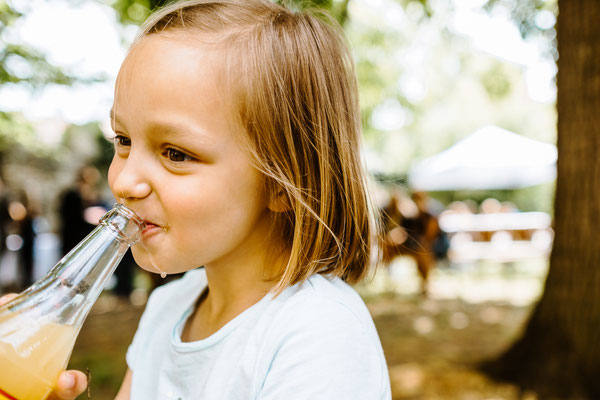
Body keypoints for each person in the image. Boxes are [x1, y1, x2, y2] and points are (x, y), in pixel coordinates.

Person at [9, 1, 390, 398]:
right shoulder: (168, 308)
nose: (124, 181)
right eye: (123, 140)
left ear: (283, 183)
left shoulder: (318, 334)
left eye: (175, 153)